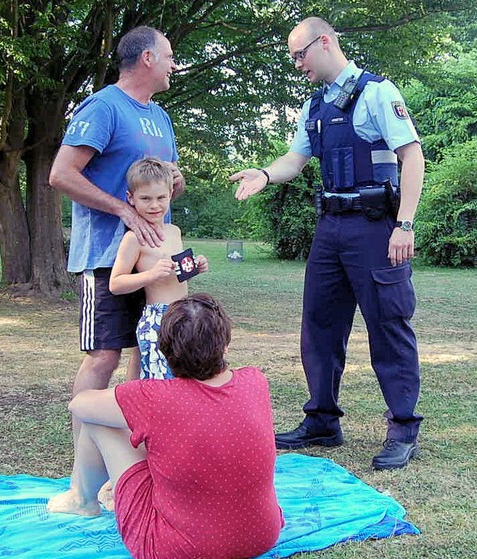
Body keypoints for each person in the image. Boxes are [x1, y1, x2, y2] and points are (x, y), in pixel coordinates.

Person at [229, 17, 424, 470]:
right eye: (293, 57)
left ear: (325, 42)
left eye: (301, 54)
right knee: (318, 326)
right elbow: (294, 161)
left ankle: (403, 427)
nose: (297, 65)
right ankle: (322, 420)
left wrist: (405, 224)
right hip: (331, 229)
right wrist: (263, 173)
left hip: (376, 228)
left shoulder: (378, 93)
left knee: (389, 325)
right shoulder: (314, 106)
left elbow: (411, 156)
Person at [47, 293, 283, 559]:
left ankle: (82, 500)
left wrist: (127, 396)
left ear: (166, 351)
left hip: (177, 550)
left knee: (97, 420)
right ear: (225, 344)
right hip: (261, 536)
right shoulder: (254, 381)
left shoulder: (153, 398)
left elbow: (80, 404)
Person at [48, 27, 185, 416]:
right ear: (148, 58)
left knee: (146, 352)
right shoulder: (103, 107)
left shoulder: (160, 117)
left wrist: (177, 181)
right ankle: (85, 459)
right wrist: (123, 210)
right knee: (103, 356)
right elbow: (61, 175)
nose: (174, 64)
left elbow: (164, 187)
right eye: (169, 55)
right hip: (106, 257)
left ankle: (129, 449)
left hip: (152, 260)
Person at [110, 157, 208, 380]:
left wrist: (195, 267)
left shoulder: (174, 231)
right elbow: (115, 284)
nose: (154, 205)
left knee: (187, 378)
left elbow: (179, 278)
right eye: (145, 199)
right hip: (158, 319)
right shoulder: (133, 238)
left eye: (161, 198)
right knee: (158, 381)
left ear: (171, 194)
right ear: (131, 198)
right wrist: (150, 275)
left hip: (186, 315)